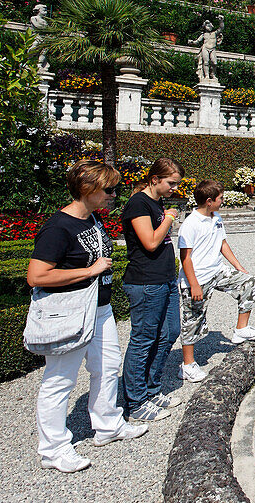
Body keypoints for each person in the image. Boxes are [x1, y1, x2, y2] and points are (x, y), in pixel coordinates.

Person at [27, 160, 148, 473]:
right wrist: (89, 271)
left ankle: (107, 425)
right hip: (70, 311)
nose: (113, 195)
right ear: (87, 189)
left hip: (99, 308)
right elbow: (37, 276)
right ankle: (53, 449)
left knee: (107, 367)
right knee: (59, 380)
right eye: (108, 190)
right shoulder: (59, 226)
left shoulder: (93, 219)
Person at [177, 180, 255, 383]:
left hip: (217, 271)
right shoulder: (190, 225)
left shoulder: (215, 217)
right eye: (220, 199)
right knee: (193, 319)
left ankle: (241, 330)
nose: (223, 201)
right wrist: (194, 285)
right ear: (209, 201)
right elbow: (186, 258)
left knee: (248, 283)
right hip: (197, 278)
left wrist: (238, 267)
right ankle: (187, 365)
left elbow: (222, 244)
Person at [120, 158, 183, 423]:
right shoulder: (138, 203)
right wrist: (168, 219)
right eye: (171, 183)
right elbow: (150, 241)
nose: (174, 189)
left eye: (176, 184)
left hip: (164, 279)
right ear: (154, 179)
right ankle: (136, 402)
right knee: (144, 339)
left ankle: (151, 388)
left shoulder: (154, 203)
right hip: (146, 281)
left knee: (169, 332)